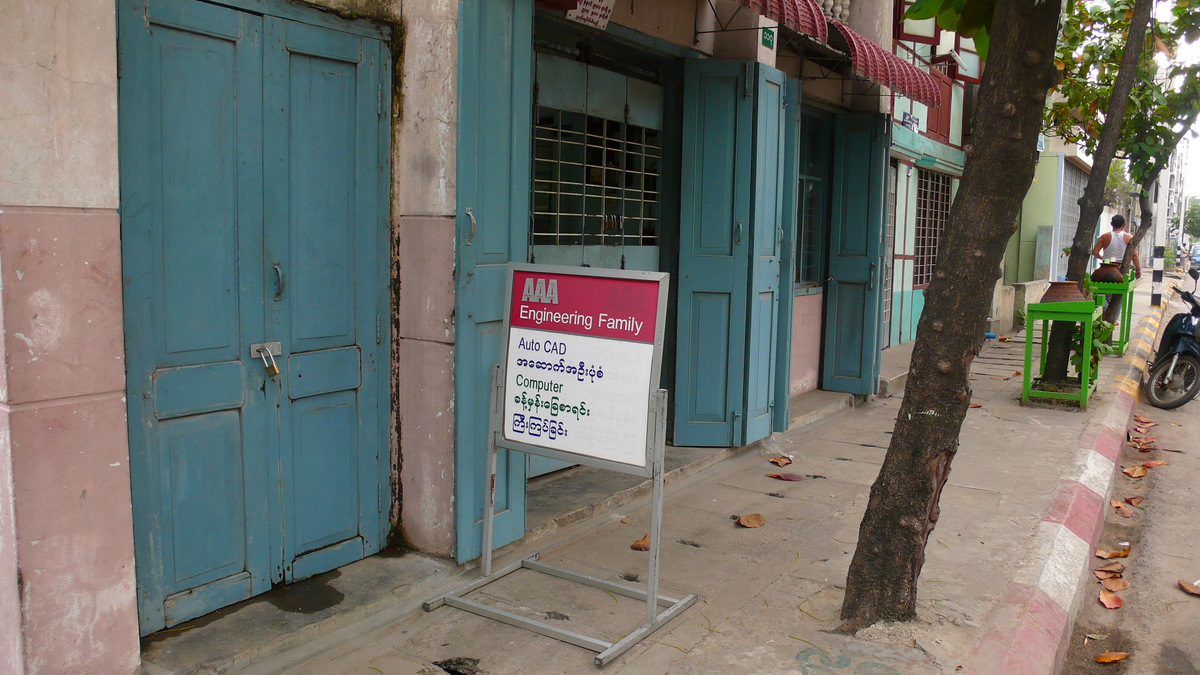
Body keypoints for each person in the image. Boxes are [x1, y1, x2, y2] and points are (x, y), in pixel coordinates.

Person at [1091, 215, 1141, 323]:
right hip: (1120, 270)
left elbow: (1095, 252)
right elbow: (1134, 255)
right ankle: (1112, 319)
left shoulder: (1105, 237)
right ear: (1124, 225)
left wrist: (1102, 258)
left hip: (1105, 269)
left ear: (1111, 224)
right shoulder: (1129, 237)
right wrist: (1138, 269)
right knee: (1118, 296)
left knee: (1104, 294)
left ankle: (1102, 316)